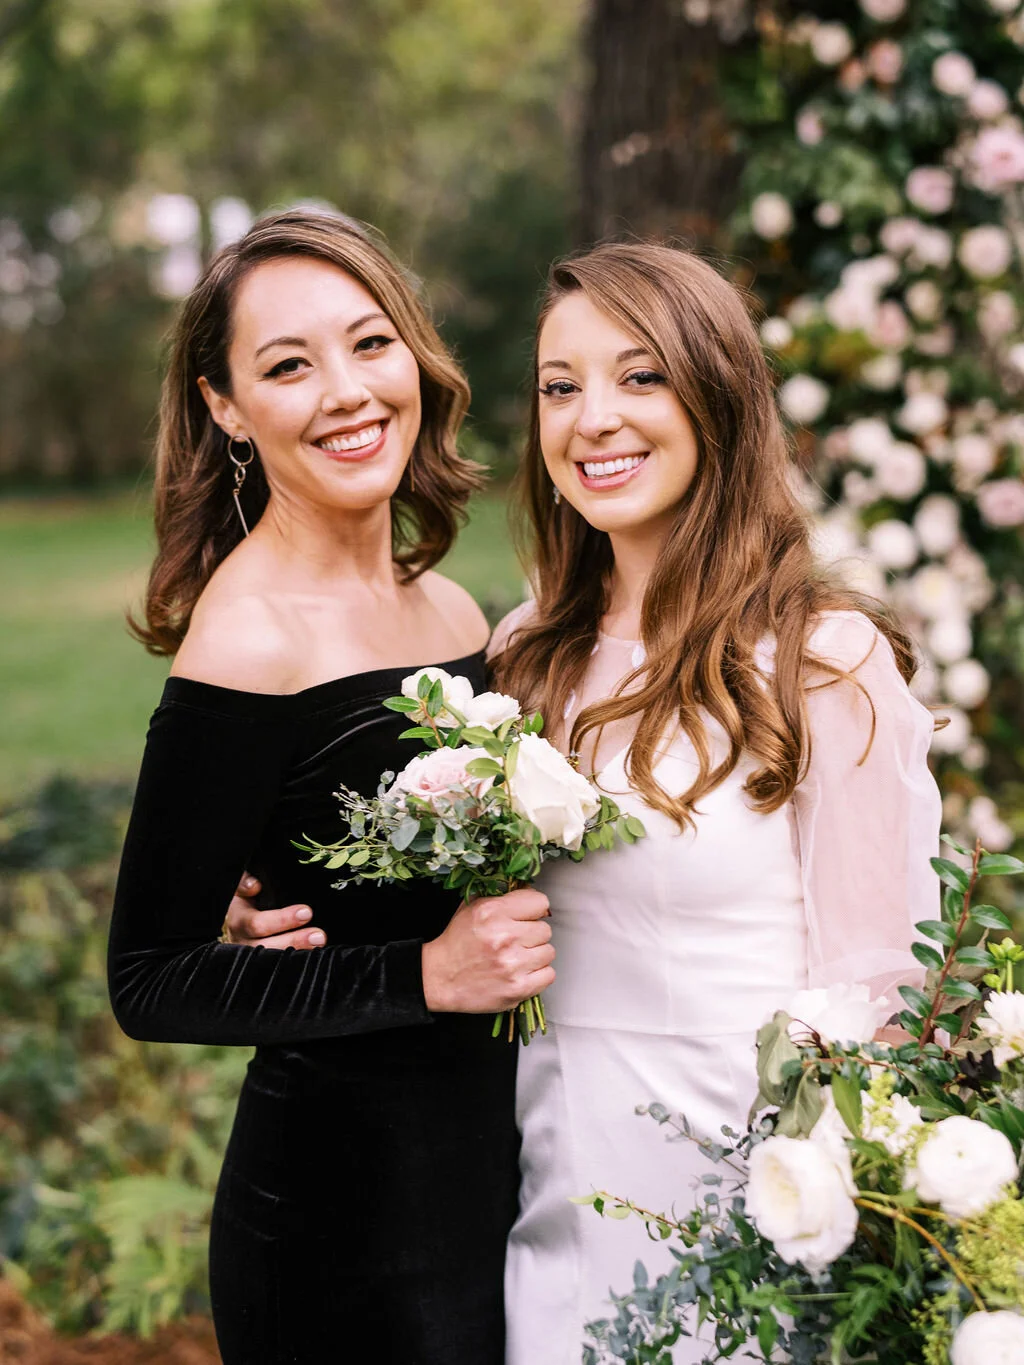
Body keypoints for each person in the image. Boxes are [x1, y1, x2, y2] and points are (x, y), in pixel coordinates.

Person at [227, 240, 941, 1362]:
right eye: (561, 387)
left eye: (640, 376)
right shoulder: (521, 658)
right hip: (545, 1187)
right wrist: (275, 904)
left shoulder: (825, 663)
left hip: (748, 1198)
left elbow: (878, 994)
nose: (592, 418)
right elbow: (447, 907)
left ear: (719, 396)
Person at [107, 208, 554, 1365]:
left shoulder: (447, 608)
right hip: (342, 1224)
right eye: (288, 366)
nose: (348, 391)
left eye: (369, 343)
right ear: (225, 408)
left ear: (414, 353)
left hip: (492, 1174)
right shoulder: (248, 639)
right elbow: (151, 980)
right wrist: (427, 971)